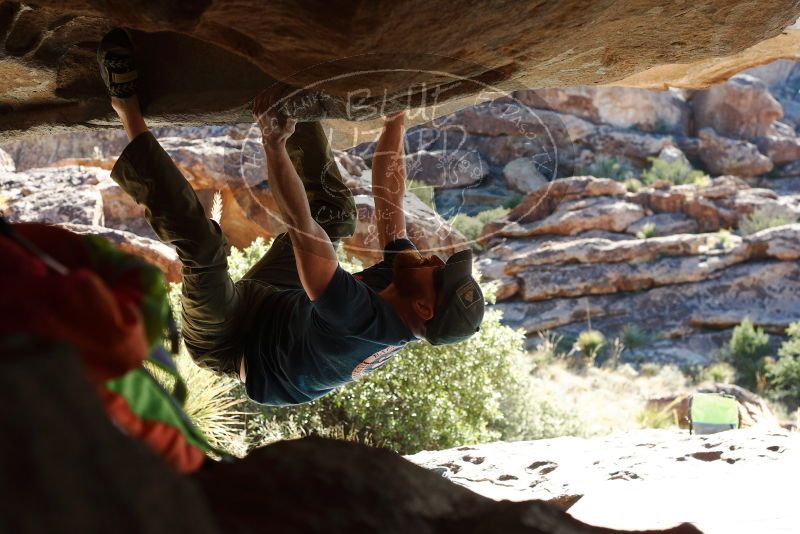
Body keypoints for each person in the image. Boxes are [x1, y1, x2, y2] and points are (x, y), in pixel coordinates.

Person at [97, 28, 484, 406]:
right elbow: (389, 199)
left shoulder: (360, 321)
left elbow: (302, 222)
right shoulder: (404, 284)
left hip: (231, 341)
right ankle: (291, 93)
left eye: (439, 272)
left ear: (423, 309)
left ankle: (125, 106)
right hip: (281, 304)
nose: (435, 258)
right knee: (335, 212)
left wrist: (273, 140)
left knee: (204, 248)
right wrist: (396, 119)